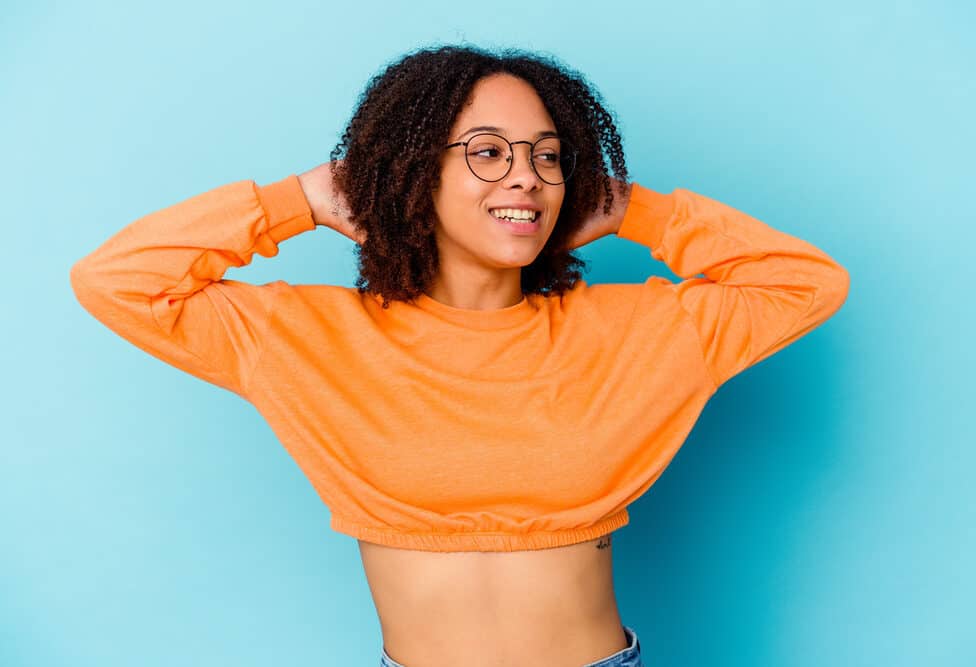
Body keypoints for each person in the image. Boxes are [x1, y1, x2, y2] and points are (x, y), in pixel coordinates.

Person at [69, 44, 850, 667]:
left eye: (549, 156)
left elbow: (807, 284)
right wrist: (298, 199)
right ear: (414, 174)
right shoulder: (303, 338)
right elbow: (117, 282)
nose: (527, 176)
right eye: (487, 152)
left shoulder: (640, 329)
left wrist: (630, 208)